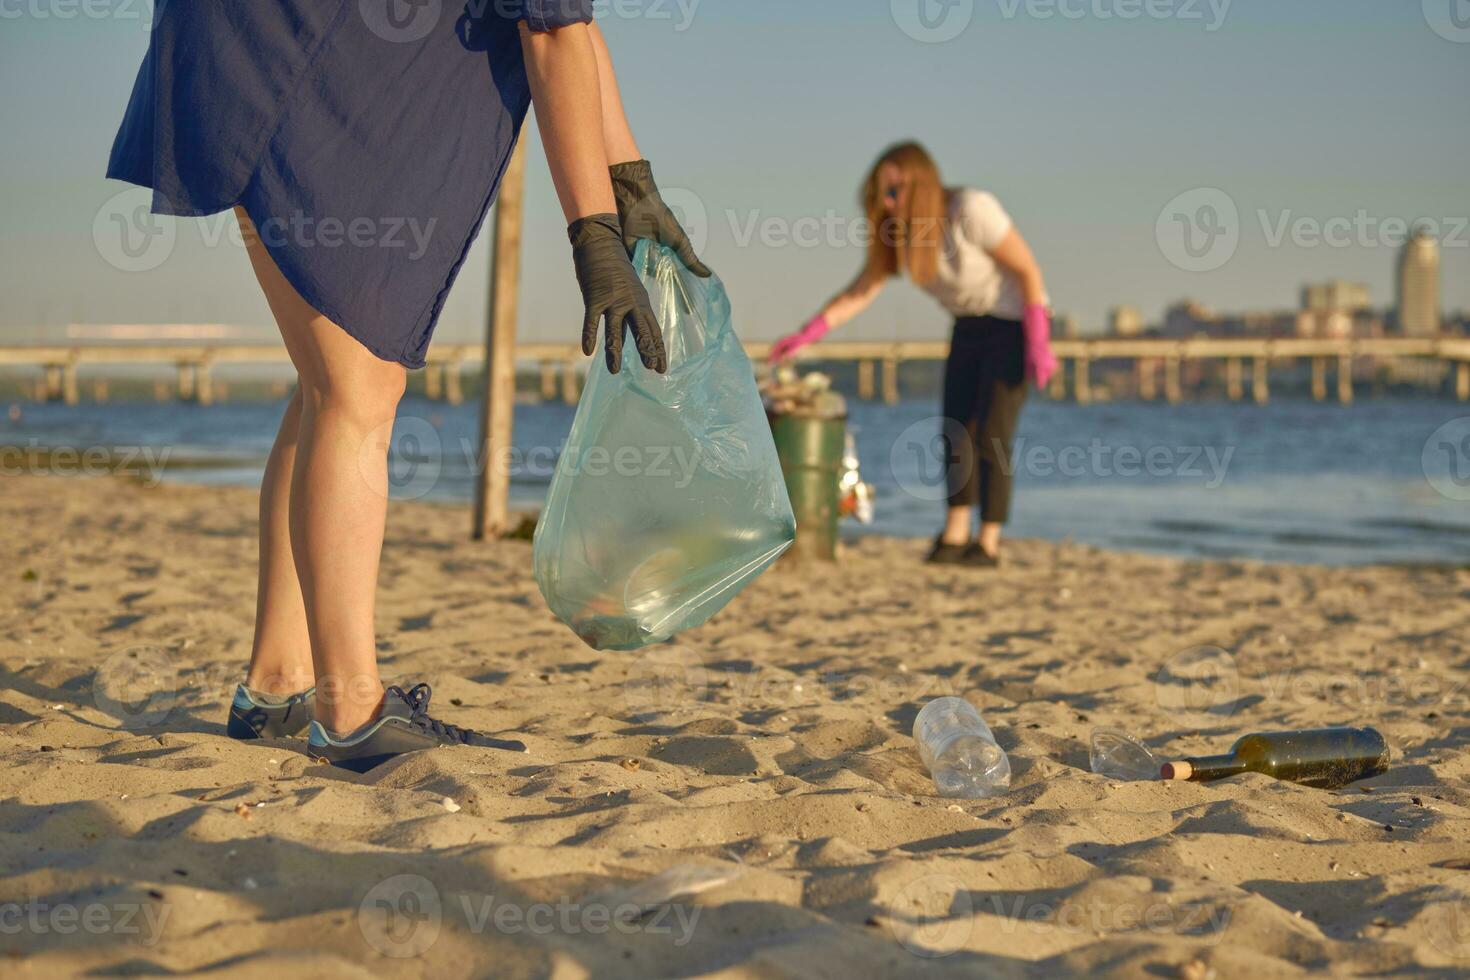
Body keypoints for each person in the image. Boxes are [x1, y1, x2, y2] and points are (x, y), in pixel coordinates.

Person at [105, 3, 707, 771]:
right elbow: (552, 34)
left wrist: (630, 182)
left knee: (331, 384)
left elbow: (569, 22)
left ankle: (279, 681)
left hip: (254, 43)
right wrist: (592, 231)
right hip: (282, 60)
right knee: (353, 399)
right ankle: (351, 710)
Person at [771, 142, 1055, 568]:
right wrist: (808, 332)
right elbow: (862, 290)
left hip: (1013, 324)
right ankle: (955, 532)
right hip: (967, 325)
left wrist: (1038, 340)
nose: (886, 203)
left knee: (992, 432)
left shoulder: (971, 209)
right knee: (955, 430)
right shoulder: (901, 235)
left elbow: (1027, 269)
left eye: (894, 192)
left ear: (920, 184)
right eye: (879, 195)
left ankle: (989, 541)